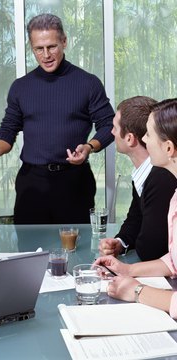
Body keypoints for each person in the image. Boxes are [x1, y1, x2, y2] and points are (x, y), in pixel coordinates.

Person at [0, 13, 115, 224]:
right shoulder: (21, 87)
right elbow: (8, 130)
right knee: (30, 252)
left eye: (52, 47)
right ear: (32, 47)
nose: (46, 55)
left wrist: (88, 147)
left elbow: (108, 125)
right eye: (38, 49)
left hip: (75, 181)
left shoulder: (88, 83)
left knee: (78, 253)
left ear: (64, 41)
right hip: (31, 183)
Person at [95, 98, 177, 318]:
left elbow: (151, 246)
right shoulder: (173, 193)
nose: (145, 141)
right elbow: (173, 258)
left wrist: (138, 291)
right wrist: (127, 268)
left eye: (148, 135)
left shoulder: (162, 180)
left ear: (168, 147)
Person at [99, 96, 177, 260]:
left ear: (129, 138)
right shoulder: (144, 172)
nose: (111, 132)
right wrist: (120, 242)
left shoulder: (161, 178)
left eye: (114, 127)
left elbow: (151, 248)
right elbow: (136, 218)